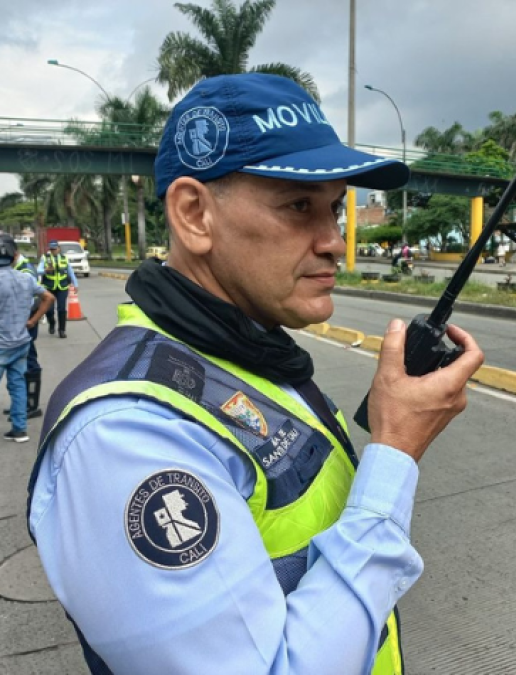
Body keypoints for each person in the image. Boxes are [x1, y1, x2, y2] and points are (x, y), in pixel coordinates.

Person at [26, 73, 484, 674]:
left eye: (335, 209)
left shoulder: (248, 354)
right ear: (194, 215)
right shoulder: (125, 434)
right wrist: (395, 449)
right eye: (298, 207)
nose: (333, 242)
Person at [0, 234, 55, 442]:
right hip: (21, 341)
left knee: (16, 384)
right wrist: (33, 320)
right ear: (15, 256)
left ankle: (19, 427)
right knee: (18, 384)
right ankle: (19, 429)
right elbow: (48, 297)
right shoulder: (26, 278)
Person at [37, 240, 77, 338]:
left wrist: (75, 284)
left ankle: (62, 330)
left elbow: (70, 272)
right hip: (49, 287)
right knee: (49, 310)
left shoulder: (64, 258)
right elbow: (38, 270)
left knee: (62, 309)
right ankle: (52, 323)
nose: (53, 251)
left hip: (62, 287)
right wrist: (45, 270)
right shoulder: (45, 258)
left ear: (58, 249)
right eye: (51, 249)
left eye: (54, 249)